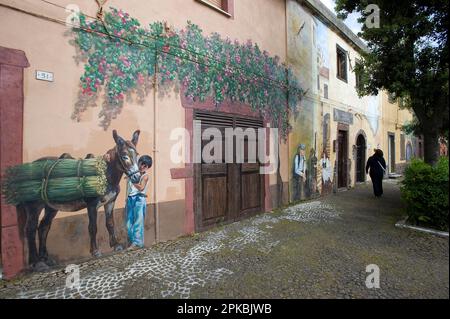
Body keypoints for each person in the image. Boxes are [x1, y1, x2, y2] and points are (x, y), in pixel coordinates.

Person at [126, 155, 152, 250]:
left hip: (139, 200)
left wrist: (132, 181)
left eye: (145, 166)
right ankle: (133, 242)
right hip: (130, 199)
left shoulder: (145, 176)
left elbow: (141, 188)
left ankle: (137, 243)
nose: (142, 167)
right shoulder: (134, 174)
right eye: (141, 164)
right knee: (128, 223)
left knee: (138, 222)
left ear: (148, 167)